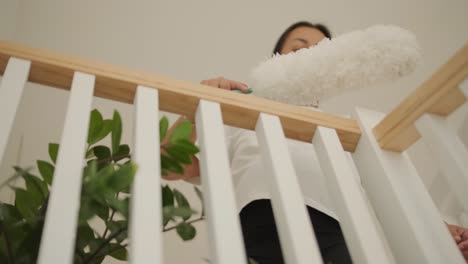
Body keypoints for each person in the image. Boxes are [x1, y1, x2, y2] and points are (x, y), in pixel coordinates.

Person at [164, 21, 468, 263]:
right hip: (259, 223)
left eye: (321, 49)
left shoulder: (341, 133)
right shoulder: (241, 115)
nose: (311, 52)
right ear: (278, 58)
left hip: (337, 230)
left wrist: (440, 231)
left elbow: (379, 192)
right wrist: (197, 104)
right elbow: (170, 166)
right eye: (300, 46)